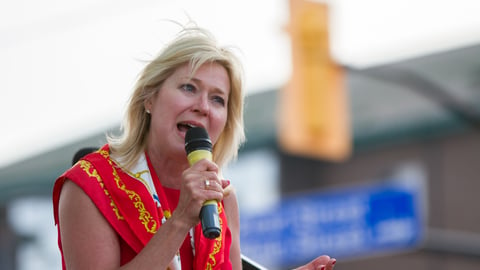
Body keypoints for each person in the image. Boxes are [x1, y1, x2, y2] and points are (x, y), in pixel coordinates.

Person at [52, 24, 337, 270]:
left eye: (217, 99)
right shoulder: (90, 184)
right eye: (189, 88)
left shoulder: (223, 198)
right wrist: (179, 222)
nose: (202, 107)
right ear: (149, 99)